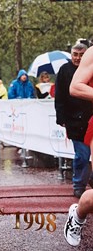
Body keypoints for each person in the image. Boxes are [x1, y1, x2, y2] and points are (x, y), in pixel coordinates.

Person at [55, 42, 92, 198]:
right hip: (74, 120)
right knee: (82, 155)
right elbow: (60, 96)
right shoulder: (64, 70)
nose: (77, 58)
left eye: (80, 55)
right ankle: (79, 184)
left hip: (89, 117)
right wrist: (61, 117)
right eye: (75, 54)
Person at [69, 43, 93, 189]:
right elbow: (75, 87)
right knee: (81, 156)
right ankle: (78, 211)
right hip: (77, 118)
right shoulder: (91, 54)